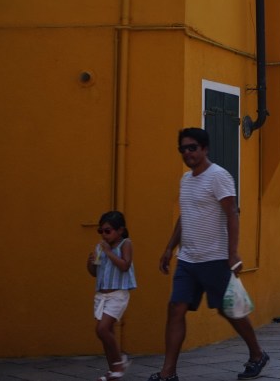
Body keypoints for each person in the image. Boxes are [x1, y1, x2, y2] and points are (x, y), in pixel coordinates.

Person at [153, 128, 268, 381]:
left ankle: (257, 354)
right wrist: (169, 248)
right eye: (183, 149)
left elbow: (232, 213)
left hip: (215, 258)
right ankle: (168, 372)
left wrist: (232, 253)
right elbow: (186, 215)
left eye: (192, 148)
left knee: (230, 310)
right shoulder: (186, 180)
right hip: (187, 259)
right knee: (176, 308)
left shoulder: (218, 176)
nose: (187, 153)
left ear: (205, 149)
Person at [88, 210, 136, 381]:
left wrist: (108, 252)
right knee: (106, 332)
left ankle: (119, 363)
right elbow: (94, 272)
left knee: (101, 329)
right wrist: (90, 262)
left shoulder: (125, 244)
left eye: (107, 231)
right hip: (101, 295)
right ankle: (114, 369)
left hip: (118, 294)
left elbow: (124, 265)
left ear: (120, 230)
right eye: (100, 231)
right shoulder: (100, 247)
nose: (104, 234)